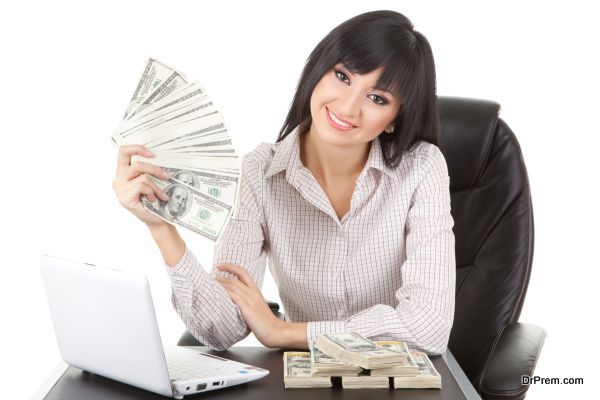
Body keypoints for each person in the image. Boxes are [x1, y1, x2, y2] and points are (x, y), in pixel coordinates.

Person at [112, 10, 455, 354]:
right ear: (318, 71)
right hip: (306, 383)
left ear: (395, 119)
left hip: (401, 383)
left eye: (377, 98)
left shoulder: (422, 168)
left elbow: (428, 327)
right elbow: (223, 329)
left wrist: (286, 333)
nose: (348, 107)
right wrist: (162, 229)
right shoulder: (260, 174)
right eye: (342, 76)